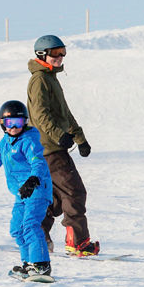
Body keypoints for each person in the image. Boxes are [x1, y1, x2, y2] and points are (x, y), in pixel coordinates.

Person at [26, 34, 99, 256]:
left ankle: (37, 234)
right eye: (55, 53)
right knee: (74, 192)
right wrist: (59, 136)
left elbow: (64, 112)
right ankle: (77, 242)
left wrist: (80, 138)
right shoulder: (39, 80)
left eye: (63, 52)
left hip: (50, 147)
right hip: (50, 148)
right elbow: (40, 115)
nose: (60, 57)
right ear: (42, 54)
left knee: (56, 198)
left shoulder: (50, 78)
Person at [0, 101, 54, 279]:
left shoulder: (29, 140)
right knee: (17, 229)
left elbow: (37, 161)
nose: (14, 127)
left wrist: (33, 178)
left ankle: (41, 265)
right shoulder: (5, 142)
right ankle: (29, 263)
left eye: (19, 122)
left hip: (36, 189)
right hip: (21, 192)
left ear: (25, 122)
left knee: (30, 224)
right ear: (2, 124)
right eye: (9, 123)